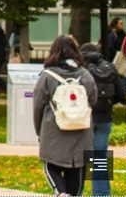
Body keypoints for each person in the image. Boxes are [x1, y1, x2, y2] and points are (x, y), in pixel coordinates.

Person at [34, 36, 97, 196]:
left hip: (54, 129)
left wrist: (39, 130)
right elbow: (93, 99)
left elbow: (38, 105)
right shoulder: (85, 74)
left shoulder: (47, 76)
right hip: (83, 130)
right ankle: (101, 192)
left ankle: (61, 193)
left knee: (51, 164)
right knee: (80, 167)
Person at [80, 41, 126, 196]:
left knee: (79, 155)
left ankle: (75, 191)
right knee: (100, 156)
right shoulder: (110, 68)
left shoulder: (81, 69)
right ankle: (101, 193)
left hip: (84, 118)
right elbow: (121, 94)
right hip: (104, 118)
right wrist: (107, 104)